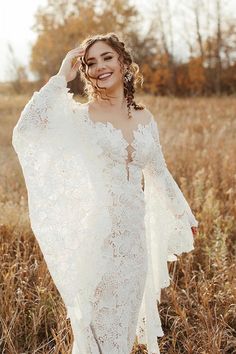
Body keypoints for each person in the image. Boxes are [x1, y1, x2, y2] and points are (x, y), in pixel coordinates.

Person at [12, 32, 199, 354]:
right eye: (90, 62)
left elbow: (158, 171)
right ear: (83, 71)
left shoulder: (145, 118)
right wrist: (60, 76)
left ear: (124, 62)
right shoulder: (78, 119)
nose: (99, 67)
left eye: (107, 58)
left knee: (122, 332)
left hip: (134, 244)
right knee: (94, 333)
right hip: (96, 240)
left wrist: (183, 212)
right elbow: (26, 129)